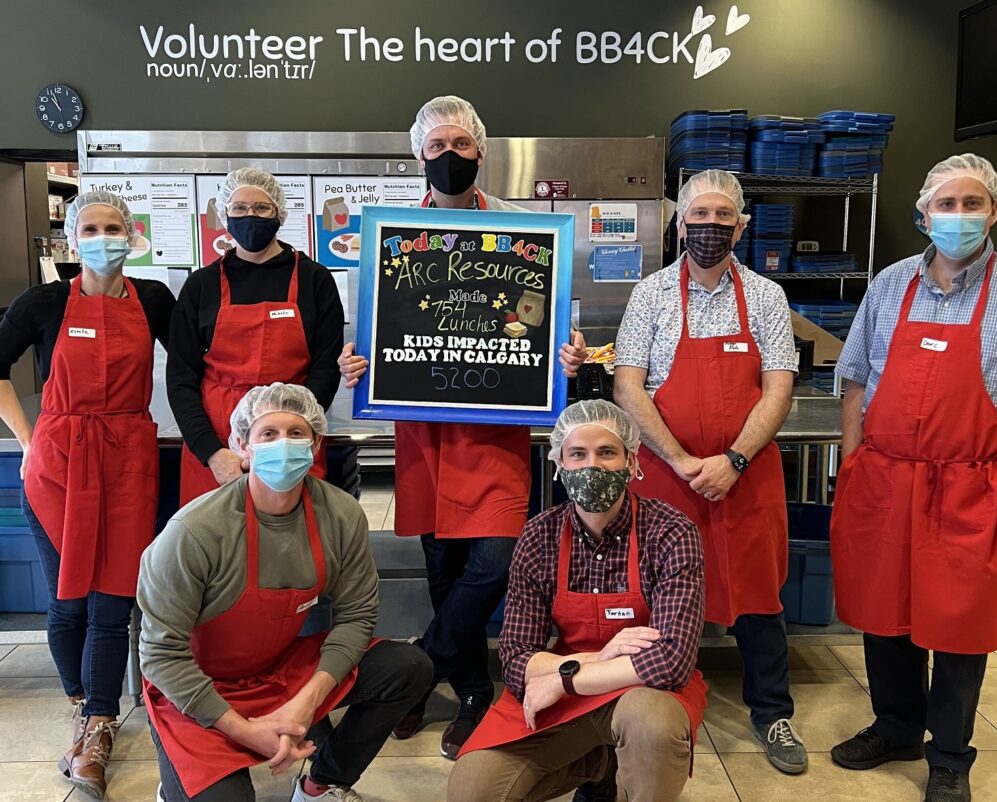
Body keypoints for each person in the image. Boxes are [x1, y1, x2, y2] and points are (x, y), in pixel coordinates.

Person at [338, 95, 588, 759]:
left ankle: (422, 666)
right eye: (437, 145)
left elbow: (547, 326)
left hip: (495, 434)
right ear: (418, 154)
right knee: (442, 568)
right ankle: (473, 691)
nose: (449, 156)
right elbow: (365, 330)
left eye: (461, 144)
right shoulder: (387, 235)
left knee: (495, 561)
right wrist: (354, 359)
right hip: (423, 436)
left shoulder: (524, 235)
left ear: (481, 151)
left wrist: (565, 354)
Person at [829, 154, 997, 802]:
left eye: (972, 204)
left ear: (995, 211)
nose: (959, 216)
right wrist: (853, 462)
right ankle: (897, 726)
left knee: (959, 622)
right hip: (885, 477)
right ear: (924, 215)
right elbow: (854, 377)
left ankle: (949, 756)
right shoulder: (890, 285)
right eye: (947, 205)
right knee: (885, 615)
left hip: (969, 483)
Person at [138, 383, 432, 802]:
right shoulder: (194, 532)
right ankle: (177, 785)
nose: (284, 444)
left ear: (315, 445)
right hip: (197, 685)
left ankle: (321, 783)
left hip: (278, 672)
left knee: (407, 665)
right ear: (242, 444)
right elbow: (161, 655)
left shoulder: (340, 514)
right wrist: (246, 731)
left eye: (297, 433)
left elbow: (356, 617)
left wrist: (303, 705)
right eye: (268, 434)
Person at [613, 169, 807, 775]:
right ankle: (653, 703)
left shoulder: (768, 298)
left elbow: (779, 391)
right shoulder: (649, 295)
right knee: (662, 591)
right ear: (679, 223)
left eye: (724, 217)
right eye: (699, 216)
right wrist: (679, 460)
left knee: (758, 596)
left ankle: (772, 711)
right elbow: (628, 386)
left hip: (746, 478)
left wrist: (733, 461)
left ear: (742, 225)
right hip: (668, 477)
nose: (710, 227)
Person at [0, 191, 174, 797]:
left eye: (114, 227)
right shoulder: (45, 302)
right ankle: (82, 705)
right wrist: (26, 440)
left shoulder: (154, 299)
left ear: (132, 234)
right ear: (74, 240)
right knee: (67, 600)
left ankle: (100, 723)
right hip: (58, 464)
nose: (104, 237)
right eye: (91, 228)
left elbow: (200, 363)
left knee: (113, 600)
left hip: (127, 458)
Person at [446, 399, 707, 802]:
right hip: (571, 684)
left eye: (606, 452)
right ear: (559, 465)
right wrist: (598, 658)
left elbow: (671, 662)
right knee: (472, 790)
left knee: (652, 725)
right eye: (577, 454)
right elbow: (516, 659)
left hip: (642, 691)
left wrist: (564, 679)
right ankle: (599, 764)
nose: (592, 466)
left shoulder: (670, 531)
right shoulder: (539, 535)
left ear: (631, 461)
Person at [168, 168, 350, 506]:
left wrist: (296, 436)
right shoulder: (201, 286)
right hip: (219, 440)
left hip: (291, 438)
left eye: (261, 208)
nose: (250, 216)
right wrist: (212, 452)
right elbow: (180, 379)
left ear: (279, 213)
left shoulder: (314, 279)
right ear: (224, 215)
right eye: (239, 208)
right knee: (217, 547)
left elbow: (326, 368)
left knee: (293, 543)